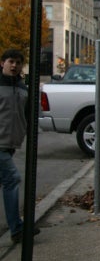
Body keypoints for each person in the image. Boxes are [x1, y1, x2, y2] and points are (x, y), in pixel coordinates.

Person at [0, 49, 40, 243]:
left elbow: (30, 113)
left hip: (10, 144)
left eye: (17, 62)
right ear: (2, 63)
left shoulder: (23, 88)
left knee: (7, 181)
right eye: (10, 62)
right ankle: (17, 229)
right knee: (12, 179)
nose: (14, 65)